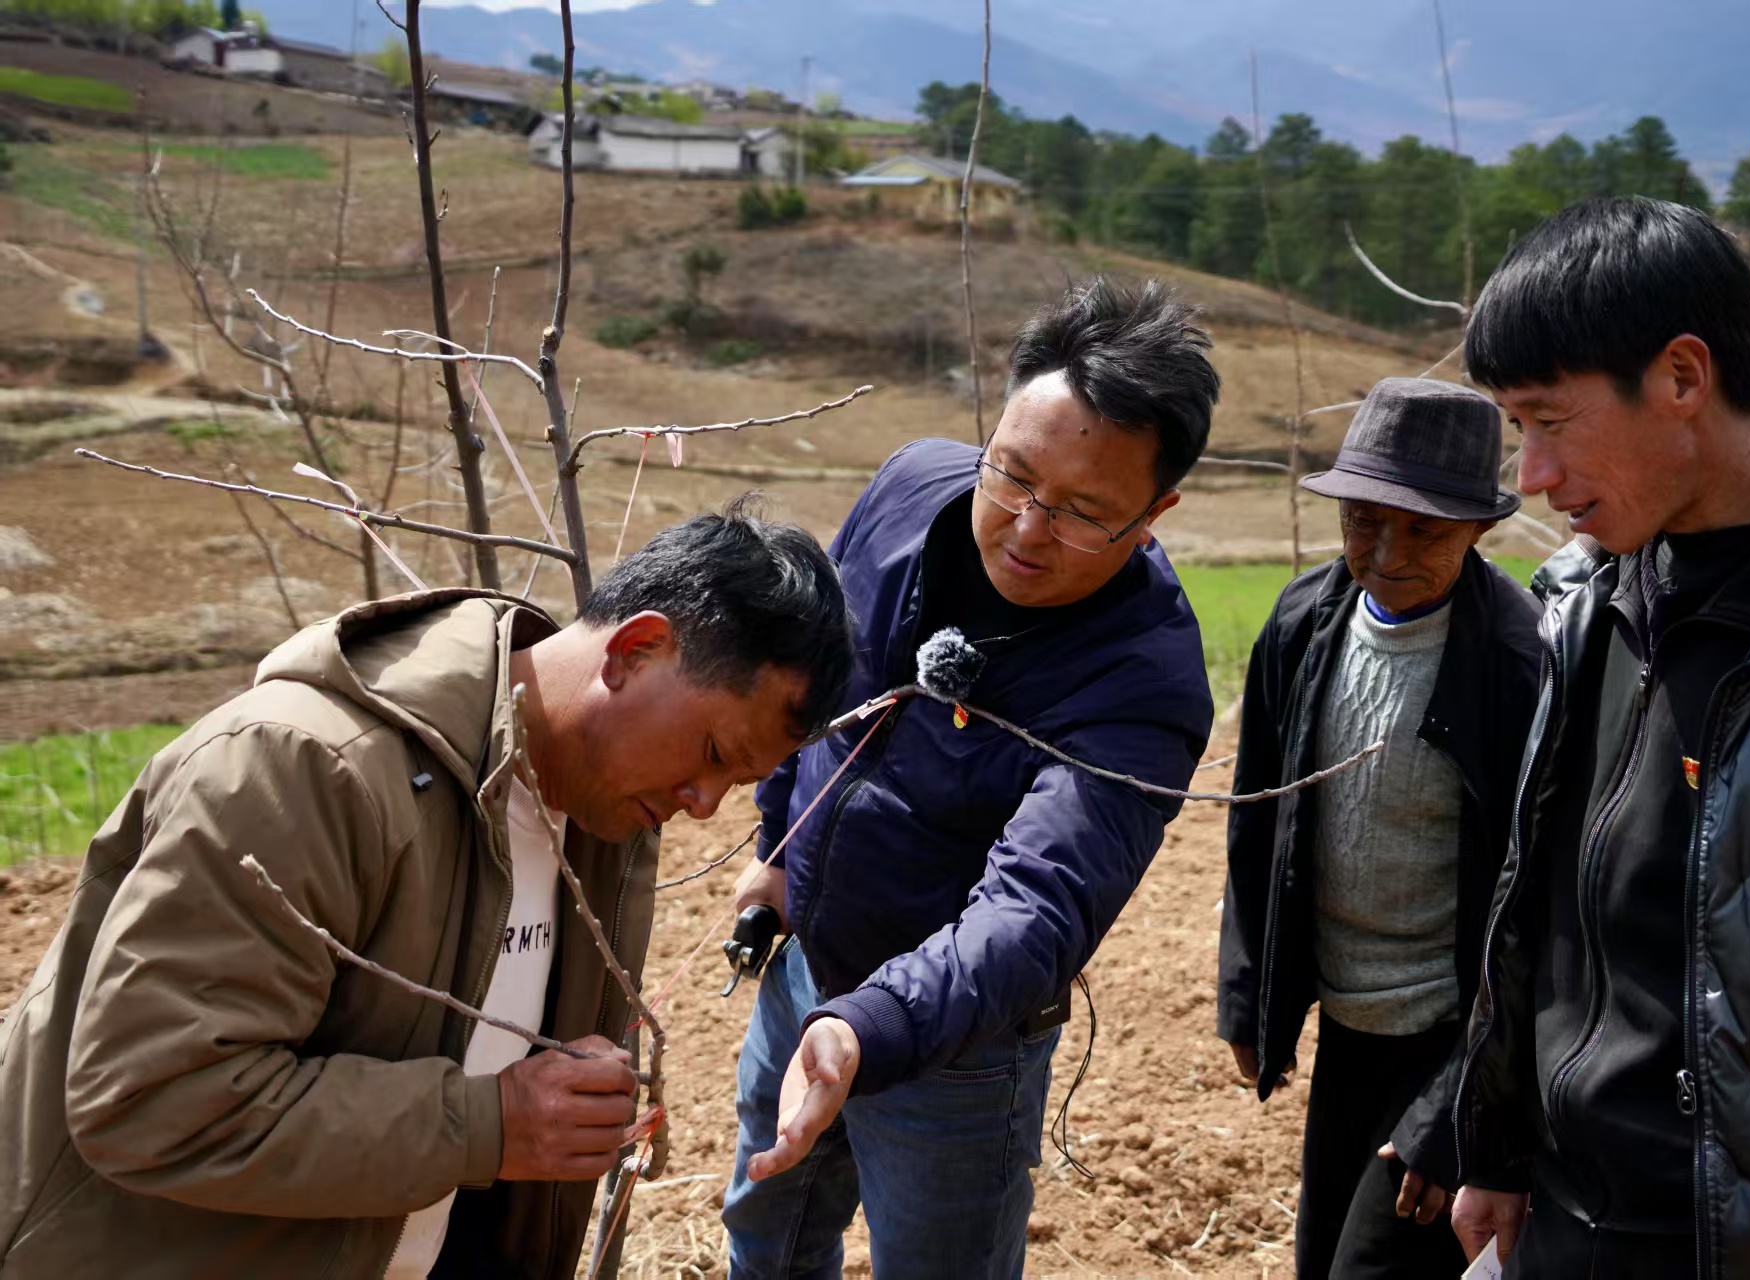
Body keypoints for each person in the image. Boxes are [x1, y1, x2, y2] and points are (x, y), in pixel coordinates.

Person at [0, 503, 854, 1278]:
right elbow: (153, 1097)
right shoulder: (302, 771)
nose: (704, 807)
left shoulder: (598, 822)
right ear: (635, 650)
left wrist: (565, 1108)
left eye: (736, 784)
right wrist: (492, 1124)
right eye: (711, 755)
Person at [1449, 195, 1750, 1277]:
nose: (1529, 476)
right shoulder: (1583, 599)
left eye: (1549, 420)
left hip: (1745, 1241)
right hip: (1567, 1220)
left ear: (1681, 377)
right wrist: (1496, 1140)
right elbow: (1548, 912)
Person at [721, 277, 1219, 1279]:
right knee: (767, 1235)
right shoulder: (909, 490)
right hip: (805, 962)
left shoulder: (1140, 680)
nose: (1029, 530)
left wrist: (868, 1026)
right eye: (1014, 477)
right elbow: (818, 679)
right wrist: (776, 845)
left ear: (1156, 513)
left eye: (1086, 511)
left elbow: (1036, 907)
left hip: (956, 1045)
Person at [1216, 378, 1543, 1280]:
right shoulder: (1301, 623)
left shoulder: (1520, 663)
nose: (1386, 551)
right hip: (1349, 1030)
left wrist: (1460, 1111)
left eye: (1424, 530)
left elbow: (1537, 910)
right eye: (1363, 521)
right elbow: (1257, 821)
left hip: (1453, 1035)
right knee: (1320, 1260)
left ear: (1479, 529)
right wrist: (1249, 994)